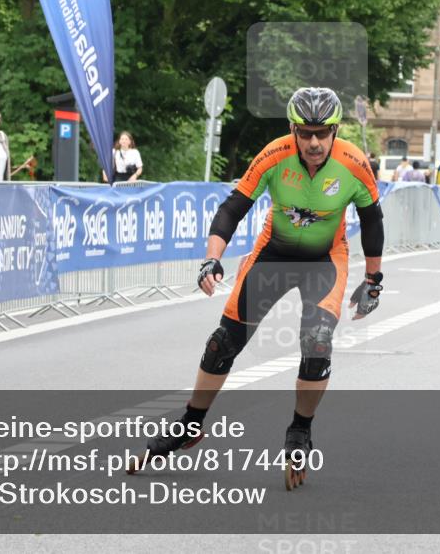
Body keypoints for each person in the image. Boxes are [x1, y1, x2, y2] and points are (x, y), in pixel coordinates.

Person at [129, 88, 385, 490]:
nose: (313, 142)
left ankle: (300, 430)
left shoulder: (353, 163)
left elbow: (372, 221)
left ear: (335, 131)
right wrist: (212, 259)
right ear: (292, 130)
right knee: (222, 343)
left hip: (324, 260)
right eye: (305, 133)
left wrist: (373, 280)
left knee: (317, 342)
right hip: (274, 255)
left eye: (322, 133)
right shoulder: (274, 154)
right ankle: (191, 424)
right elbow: (233, 207)